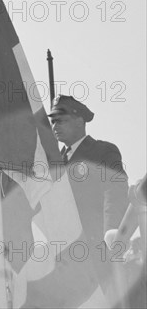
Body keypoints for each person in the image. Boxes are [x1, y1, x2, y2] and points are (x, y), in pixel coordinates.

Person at [48, 95, 129, 304]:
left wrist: (110, 236)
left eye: (61, 120)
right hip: (62, 259)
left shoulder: (102, 151)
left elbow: (115, 191)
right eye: (53, 121)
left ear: (80, 121)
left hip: (94, 253)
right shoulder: (55, 162)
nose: (55, 125)